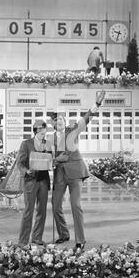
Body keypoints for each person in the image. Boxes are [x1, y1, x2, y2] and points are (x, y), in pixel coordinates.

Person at [51, 90, 106, 250]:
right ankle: (63, 234)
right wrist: (55, 160)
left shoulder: (72, 130)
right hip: (60, 174)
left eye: (61, 119)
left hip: (75, 173)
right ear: (53, 124)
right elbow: (47, 159)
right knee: (55, 206)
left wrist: (96, 104)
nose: (59, 121)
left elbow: (86, 118)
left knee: (76, 205)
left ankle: (80, 240)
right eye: (56, 120)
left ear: (65, 121)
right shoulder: (49, 138)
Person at [17, 120, 52, 246]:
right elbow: (20, 163)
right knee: (28, 211)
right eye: (42, 132)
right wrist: (26, 171)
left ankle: (37, 237)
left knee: (42, 211)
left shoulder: (48, 144)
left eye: (45, 131)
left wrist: (51, 163)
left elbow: (50, 159)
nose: (44, 134)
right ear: (36, 131)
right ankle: (23, 240)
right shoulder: (26, 144)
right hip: (30, 181)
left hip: (43, 180)